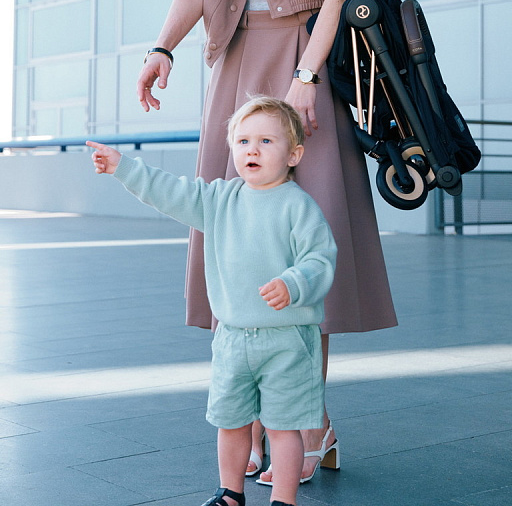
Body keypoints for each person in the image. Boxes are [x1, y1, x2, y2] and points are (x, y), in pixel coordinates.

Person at [136, 0, 397, 483]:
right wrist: (162, 47)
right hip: (235, 64)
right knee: (236, 239)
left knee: (308, 238)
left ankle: (306, 422)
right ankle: (253, 419)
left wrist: (307, 76)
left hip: (307, 58)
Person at [87, 96, 338, 506]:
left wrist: (293, 283)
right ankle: (230, 492)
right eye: (243, 141)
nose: (252, 149)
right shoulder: (220, 200)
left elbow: (320, 258)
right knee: (230, 420)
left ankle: (283, 499)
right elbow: (170, 191)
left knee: (284, 427)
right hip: (232, 337)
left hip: (288, 339)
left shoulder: (298, 206)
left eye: (266, 141)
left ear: (294, 155)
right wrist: (123, 167)